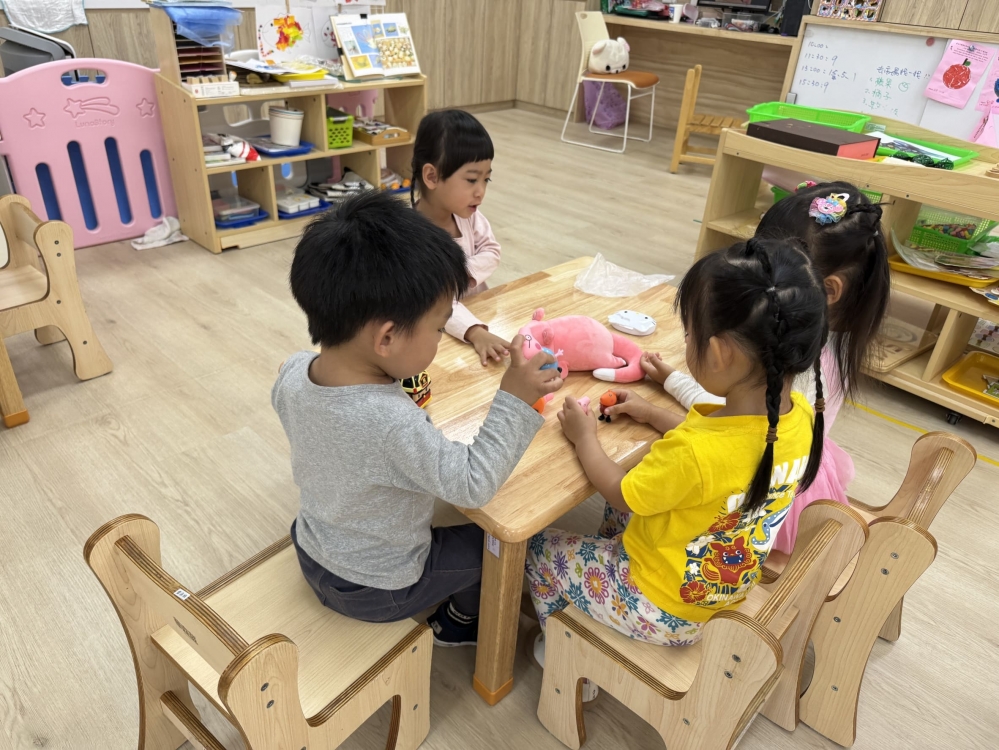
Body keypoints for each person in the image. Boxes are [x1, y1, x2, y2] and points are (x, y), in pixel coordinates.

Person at [525, 239, 828, 699]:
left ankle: (566, 662)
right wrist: (652, 414)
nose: (686, 342)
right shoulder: (798, 416)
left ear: (720, 352)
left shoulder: (692, 452)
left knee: (536, 548)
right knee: (629, 510)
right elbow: (721, 452)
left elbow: (621, 491)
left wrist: (585, 437)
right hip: (719, 591)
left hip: (660, 608)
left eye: (689, 335)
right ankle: (605, 571)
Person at [274, 191, 563, 647]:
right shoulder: (391, 424)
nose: (440, 337)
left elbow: (340, 433)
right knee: (501, 542)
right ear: (387, 338)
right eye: (438, 326)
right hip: (378, 588)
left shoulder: (293, 371)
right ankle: (461, 620)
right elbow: (471, 484)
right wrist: (515, 398)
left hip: (312, 548)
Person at [634, 181, 889, 554]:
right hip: (786, 459)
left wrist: (664, 396)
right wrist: (670, 380)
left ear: (829, 289)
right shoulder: (813, 346)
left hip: (764, 495)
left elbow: (732, 438)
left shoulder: (795, 366)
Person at [411, 109, 510, 366]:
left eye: (487, 179)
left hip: (481, 308)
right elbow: (436, 304)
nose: (481, 192)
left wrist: (461, 273)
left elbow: (491, 251)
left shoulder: (469, 216)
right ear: (432, 176)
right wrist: (475, 332)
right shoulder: (412, 237)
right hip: (443, 335)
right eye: (472, 180)